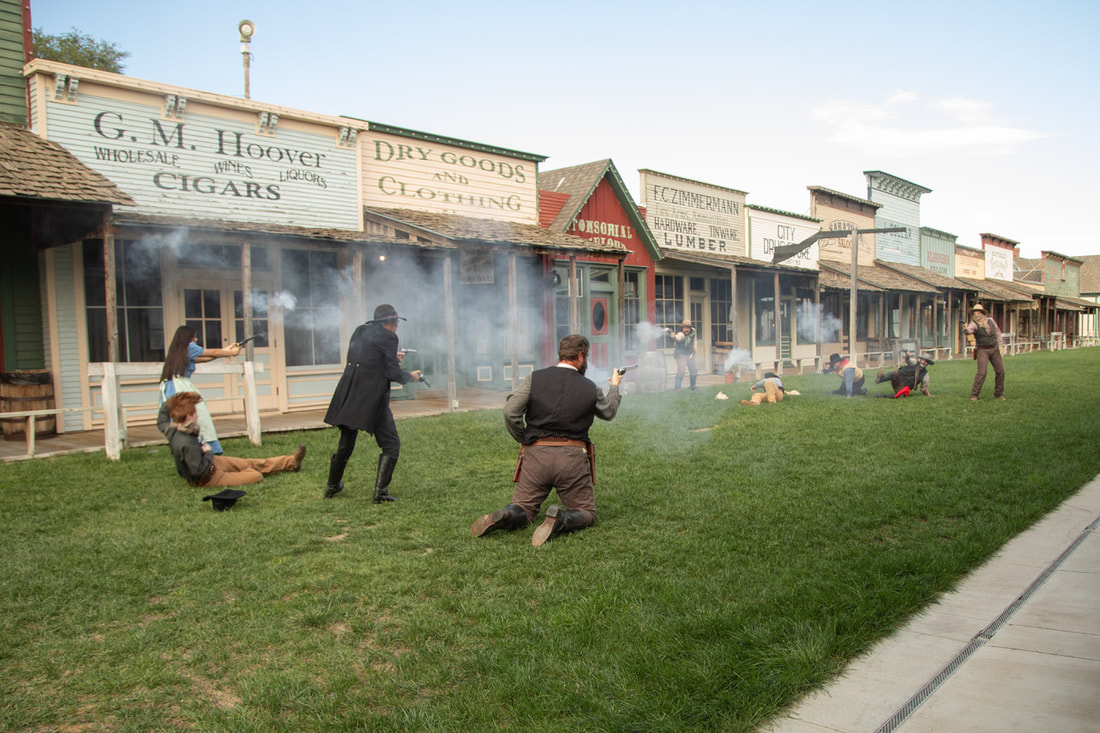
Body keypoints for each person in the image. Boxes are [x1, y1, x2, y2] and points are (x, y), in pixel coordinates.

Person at [470, 334, 623, 547]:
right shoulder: (590, 387)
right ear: (580, 356)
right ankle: (562, 519)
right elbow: (608, 412)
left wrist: (525, 440)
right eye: (585, 356)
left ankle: (507, 514)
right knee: (587, 512)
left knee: (523, 507)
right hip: (571, 458)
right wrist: (615, 386)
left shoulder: (534, 378)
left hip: (536, 457)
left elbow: (510, 412)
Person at [322, 304, 422, 502]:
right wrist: (410, 376)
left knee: (346, 444)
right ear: (389, 323)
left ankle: (332, 486)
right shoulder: (389, 337)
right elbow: (392, 373)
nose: (396, 326)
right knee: (391, 443)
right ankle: (381, 493)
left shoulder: (360, 331)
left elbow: (367, 359)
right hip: (371, 398)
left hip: (350, 393)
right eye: (395, 322)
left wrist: (391, 358)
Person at [157, 391, 305, 488]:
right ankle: (246, 472)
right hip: (209, 478)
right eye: (195, 413)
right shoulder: (186, 443)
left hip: (214, 462)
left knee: (249, 462)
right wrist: (208, 452)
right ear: (188, 417)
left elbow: (161, 417)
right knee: (255, 475)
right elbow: (197, 472)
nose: (197, 415)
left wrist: (177, 400)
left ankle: (292, 462)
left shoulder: (172, 429)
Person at [160, 325, 242, 454]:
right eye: (194, 337)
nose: (196, 339)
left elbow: (207, 358)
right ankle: (205, 449)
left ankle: (195, 448)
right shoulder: (189, 347)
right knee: (196, 417)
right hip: (180, 386)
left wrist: (226, 350)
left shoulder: (181, 350)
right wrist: (231, 353)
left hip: (177, 385)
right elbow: (213, 353)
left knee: (189, 419)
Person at [964, 303, 1006, 401]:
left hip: (994, 348)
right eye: (975, 313)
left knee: (1001, 371)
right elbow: (969, 330)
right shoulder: (973, 324)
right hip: (982, 350)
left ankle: (998, 393)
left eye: (979, 313)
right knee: (982, 373)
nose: (977, 315)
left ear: (983, 313)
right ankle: (974, 395)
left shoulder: (990, 321)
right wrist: (966, 330)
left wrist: (1001, 346)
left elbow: (997, 333)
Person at [670, 318, 698, 391]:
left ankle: (693, 386)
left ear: (690, 328)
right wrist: (673, 336)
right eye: (685, 327)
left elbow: (694, 340)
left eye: (688, 327)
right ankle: (677, 388)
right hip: (681, 354)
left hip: (690, 353)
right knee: (681, 371)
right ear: (682, 328)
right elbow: (678, 338)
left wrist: (695, 347)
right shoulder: (680, 333)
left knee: (694, 370)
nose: (686, 329)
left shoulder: (693, 331)